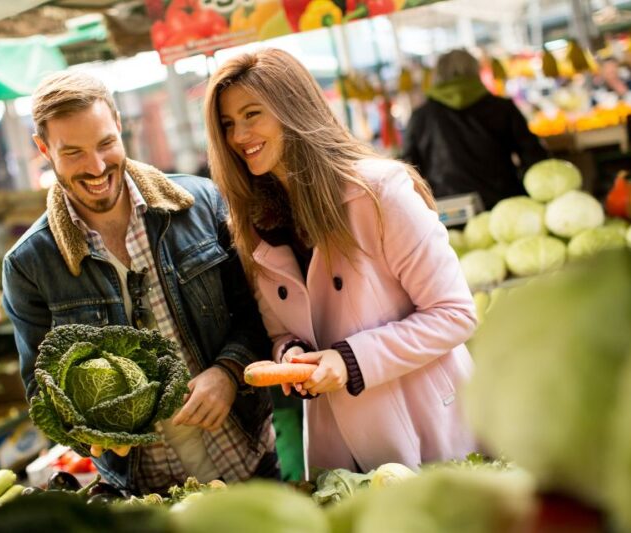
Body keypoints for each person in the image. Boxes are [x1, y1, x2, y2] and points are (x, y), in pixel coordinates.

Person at [1, 70, 278, 495]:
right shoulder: (29, 265)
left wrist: (229, 371)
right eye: (72, 152)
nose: (96, 167)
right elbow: (41, 387)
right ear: (43, 150)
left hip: (250, 463)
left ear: (119, 126)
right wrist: (90, 431)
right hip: (144, 495)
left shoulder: (200, 204)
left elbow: (260, 313)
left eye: (106, 144)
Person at [204, 48, 477, 474]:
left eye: (252, 114)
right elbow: (281, 331)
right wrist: (291, 355)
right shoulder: (253, 223)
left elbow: (455, 313)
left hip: (426, 423)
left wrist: (349, 361)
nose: (239, 136)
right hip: (339, 443)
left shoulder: (379, 192)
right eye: (227, 124)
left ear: (292, 108)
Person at [402, 49, 549, 210]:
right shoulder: (502, 108)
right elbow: (534, 155)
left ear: (437, 75)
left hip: (449, 209)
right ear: (476, 71)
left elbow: (409, 169)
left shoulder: (421, 116)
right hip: (505, 204)